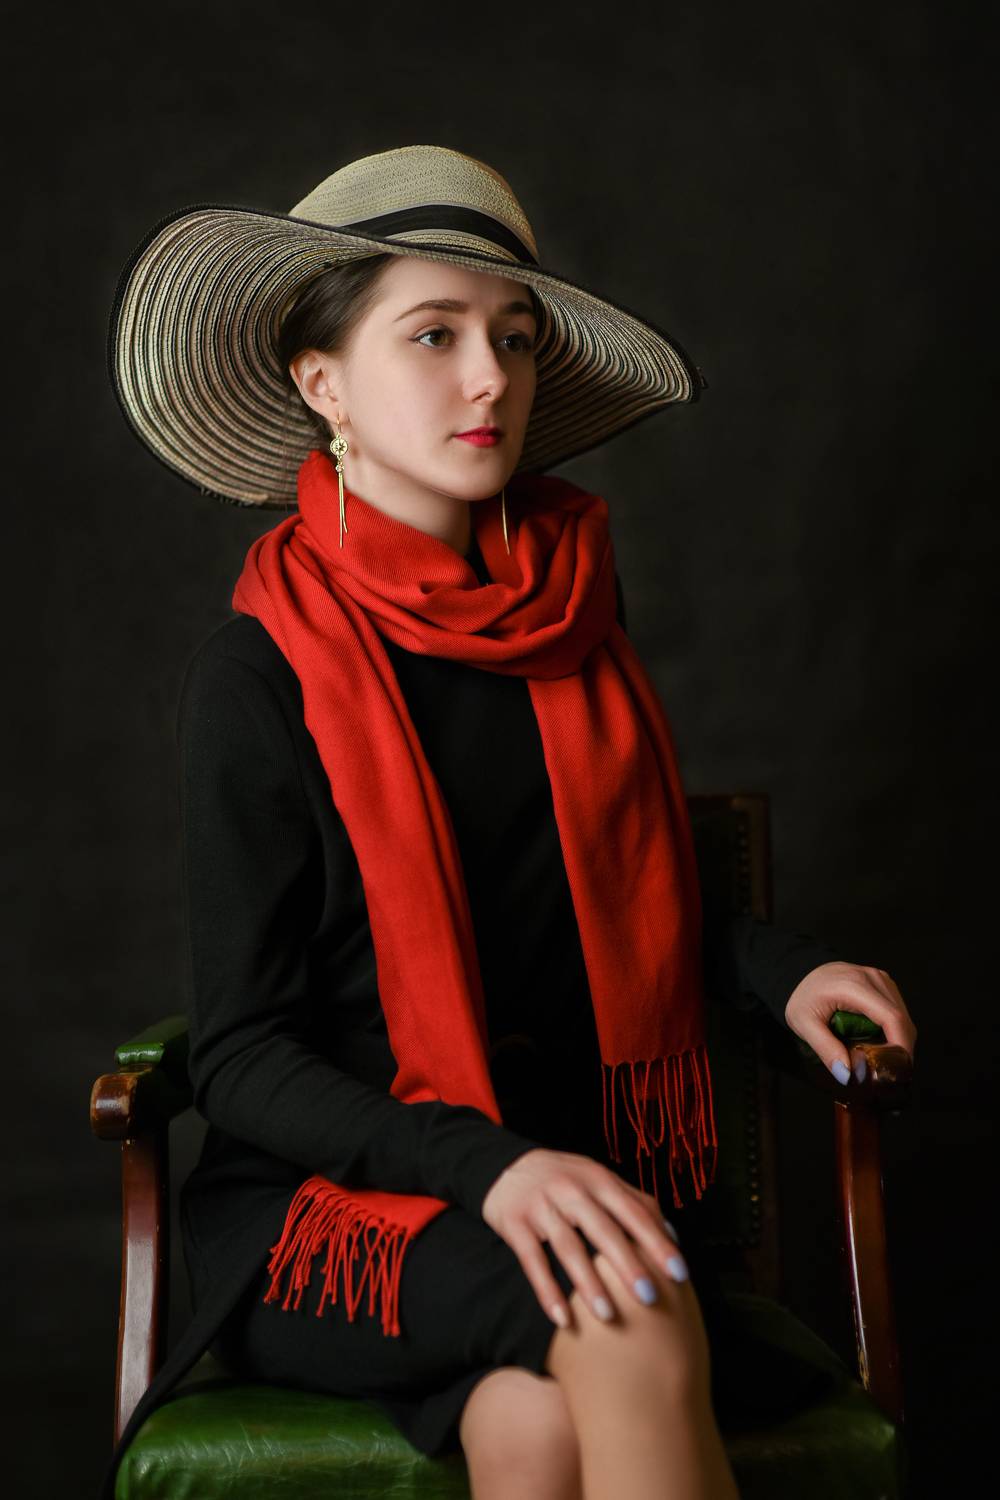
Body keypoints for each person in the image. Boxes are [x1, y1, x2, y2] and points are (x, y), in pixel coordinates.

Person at [100, 145, 918, 1500]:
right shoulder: (258, 672)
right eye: (434, 335)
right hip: (333, 1212)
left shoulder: (572, 618)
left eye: (515, 337)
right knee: (621, 1295)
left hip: (549, 1168)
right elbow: (241, 1055)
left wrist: (785, 971)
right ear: (323, 384)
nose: (489, 377)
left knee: (535, 1427)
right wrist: (491, 1170)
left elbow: (624, 893)